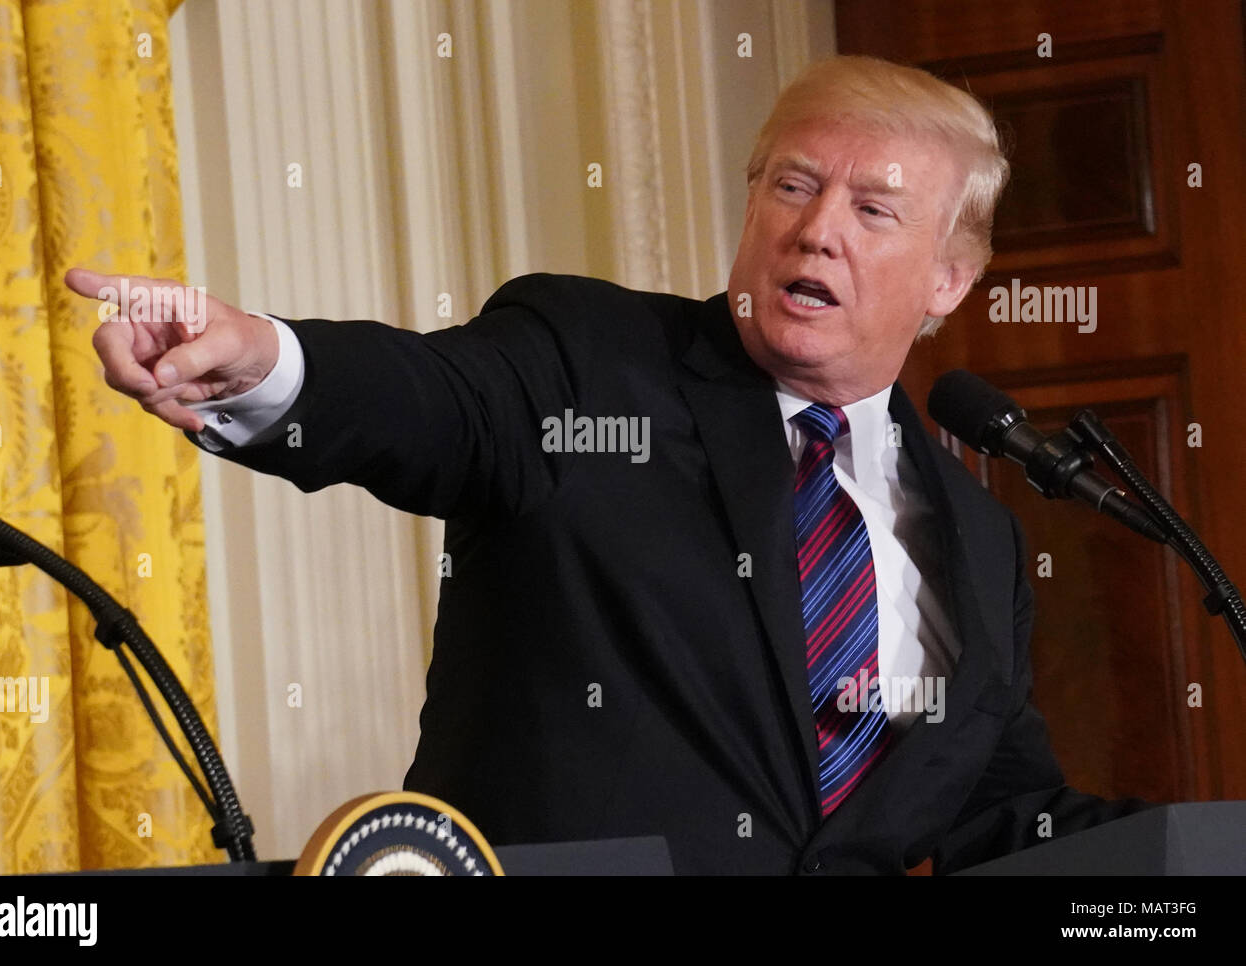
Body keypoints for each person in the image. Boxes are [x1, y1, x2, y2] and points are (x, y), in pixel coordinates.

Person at [66, 55, 1151, 875]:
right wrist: (263, 361)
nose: (816, 231)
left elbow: (997, 807)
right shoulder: (587, 361)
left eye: (872, 211)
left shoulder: (979, 536)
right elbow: (432, 402)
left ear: (950, 280)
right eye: (789, 187)